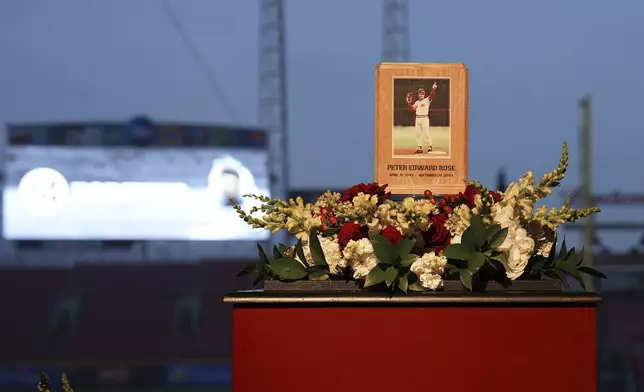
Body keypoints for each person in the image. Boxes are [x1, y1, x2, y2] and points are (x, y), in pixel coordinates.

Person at [406, 82, 438, 154]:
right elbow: (411, 109)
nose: (420, 95)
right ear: (418, 95)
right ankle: (419, 148)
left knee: (426, 133)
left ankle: (430, 146)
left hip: (424, 119)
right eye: (419, 94)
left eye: (422, 94)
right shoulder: (417, 102)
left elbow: (432, 95)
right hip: (417, 119)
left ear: (424, 95)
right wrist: (409, 102)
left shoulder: (426, 100)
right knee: (418, 134)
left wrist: (433, 88)